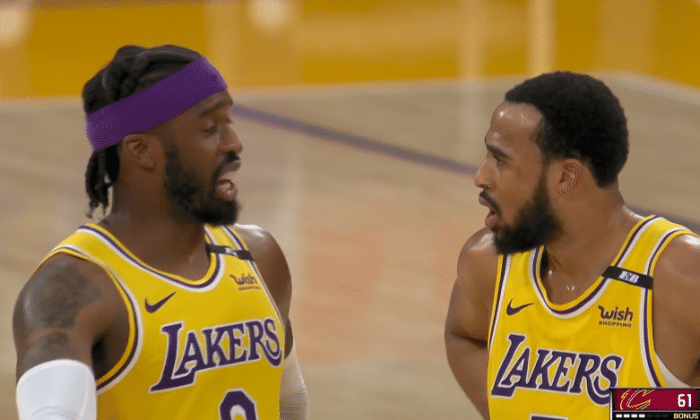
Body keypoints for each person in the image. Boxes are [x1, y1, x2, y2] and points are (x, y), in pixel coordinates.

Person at [13, 44, 308, 420]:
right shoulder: (72, 290)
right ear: (141, 150)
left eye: (229, 122)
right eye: (210, 129)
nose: (234, 144)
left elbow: (290, 403)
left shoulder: (260, 258)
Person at [444, 71, 700, 419]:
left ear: (566, 176)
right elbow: (464, 336)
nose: (481, 177)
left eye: (500, 160)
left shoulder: (682, 278)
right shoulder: (488, 264)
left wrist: (654, 407)